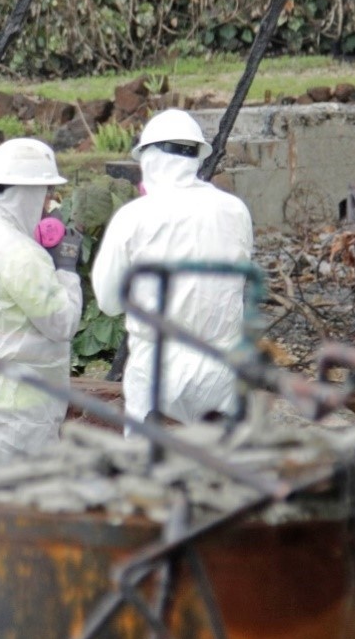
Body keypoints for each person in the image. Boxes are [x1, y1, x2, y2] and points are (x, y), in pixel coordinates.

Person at [91, 109, 253, 425]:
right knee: (216, 465)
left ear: (149, 159)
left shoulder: (134, 216)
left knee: (152, 466)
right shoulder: (235, 211)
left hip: (157, 367)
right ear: (196, 156)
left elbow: (109, 302)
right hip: (221, 366)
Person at [0, 138, 83, 463]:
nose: (49, 203)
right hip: (15, 407)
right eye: (45, 193)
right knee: (19, 506)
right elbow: (62, 322)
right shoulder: (21, 253)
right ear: (27, 193)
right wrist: (66, 269)